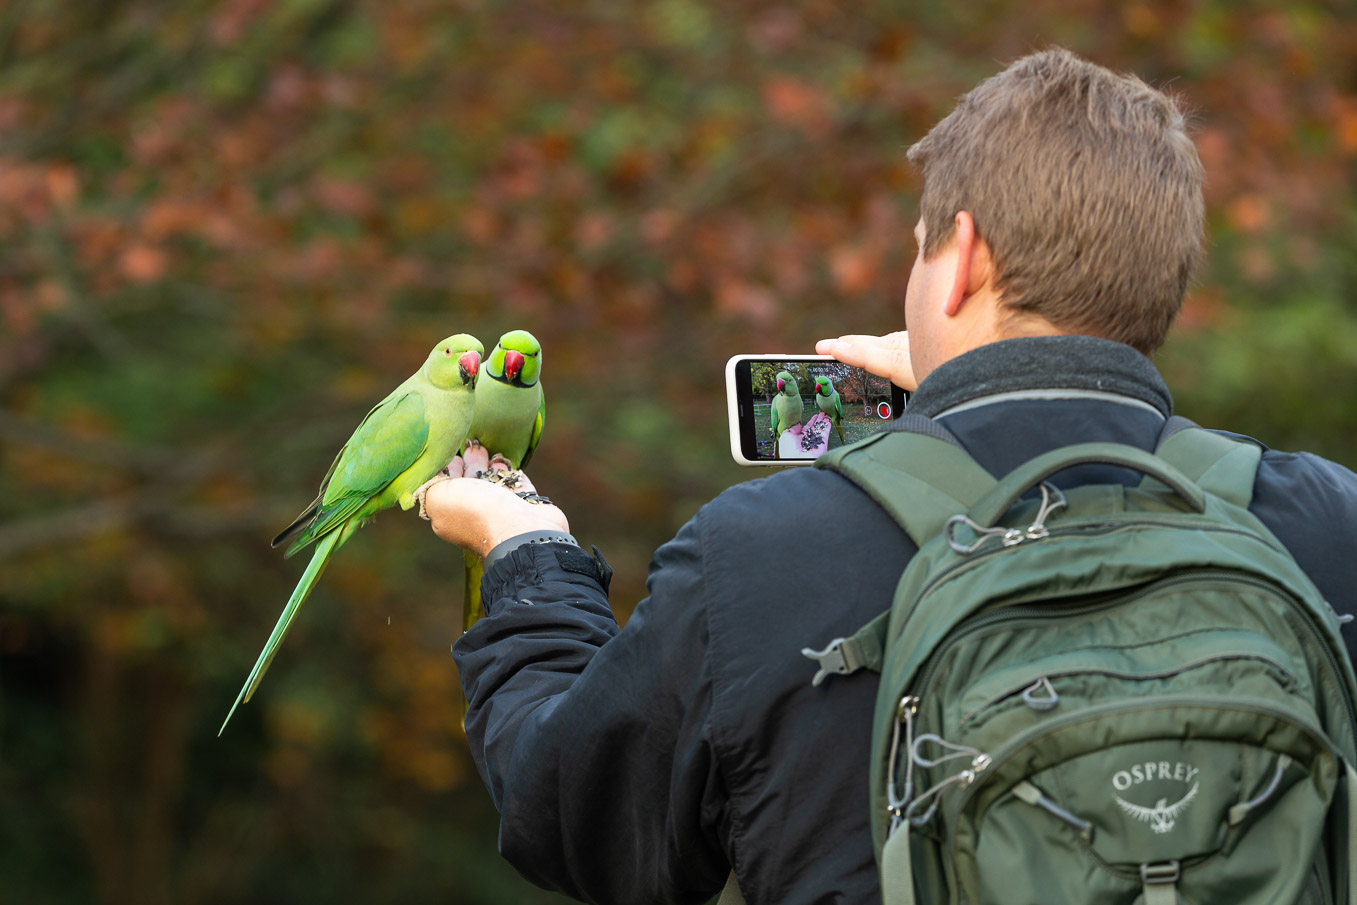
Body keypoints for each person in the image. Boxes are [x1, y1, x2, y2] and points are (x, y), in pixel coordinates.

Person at [423, 47, 1357, 905]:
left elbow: (573, 820)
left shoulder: (756, 556)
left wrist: (527, 556)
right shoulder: (1328, 525)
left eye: (919, 245)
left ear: (962, 258)